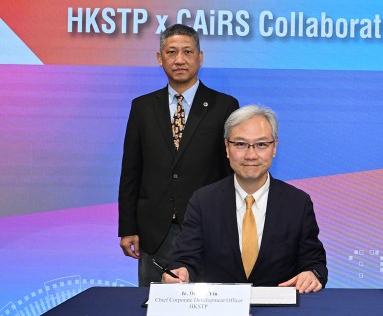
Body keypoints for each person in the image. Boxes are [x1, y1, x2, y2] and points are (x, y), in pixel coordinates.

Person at [118, 23, 239, 286]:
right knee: (156, 307)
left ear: (200, 57)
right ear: (160, 58)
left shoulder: (225, 106)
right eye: (171, 52)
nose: (180, 60)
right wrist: (128, 228)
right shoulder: (142, 107)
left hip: (208, 228)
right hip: (155, 231)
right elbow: (131, 171)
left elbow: (232, 172)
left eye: (187, 51)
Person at [161, 105, 327, 293]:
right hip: (219, 307)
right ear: (227, 147)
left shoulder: (297, 202)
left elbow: (315, 263)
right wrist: (180, 272)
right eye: (240, 144)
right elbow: (184, 257)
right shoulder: (203, 200)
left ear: (274, 148)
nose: (251, 155)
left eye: (261, 144)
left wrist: (312, 274)